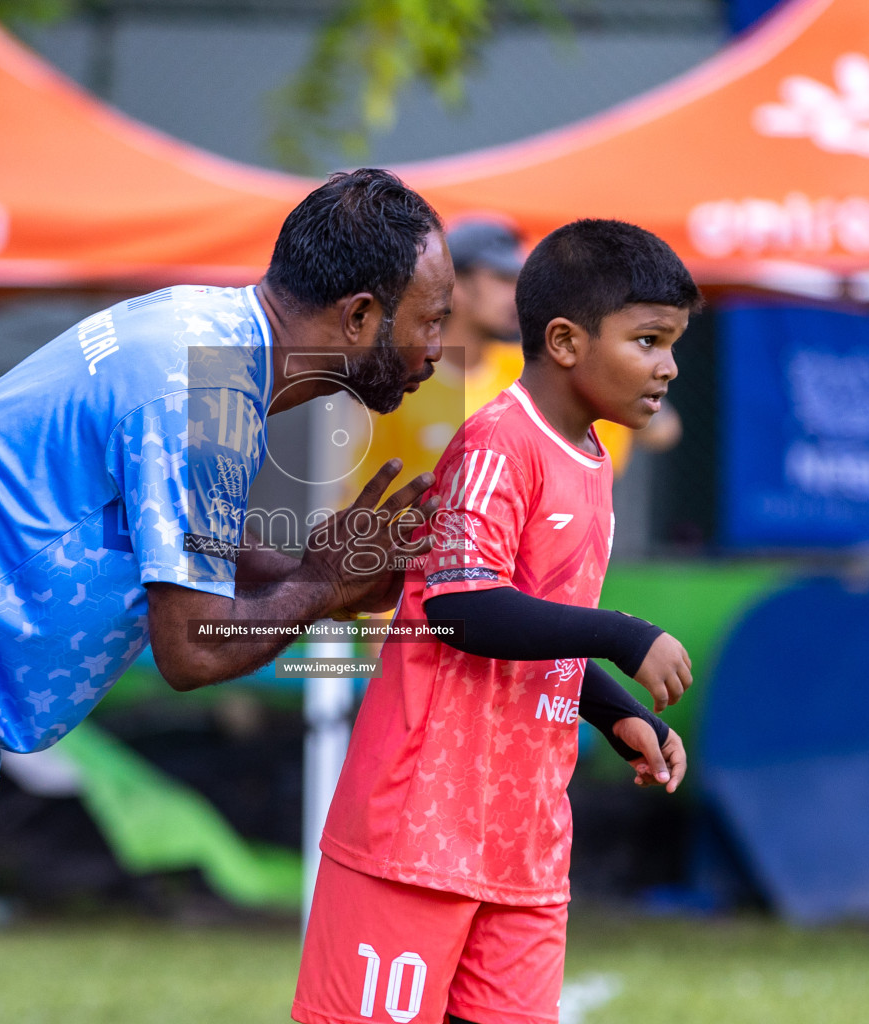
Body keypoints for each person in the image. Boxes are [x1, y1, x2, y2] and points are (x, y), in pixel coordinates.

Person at [0, 168, 456, 1024]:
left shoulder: (219, 347)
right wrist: (318, 585)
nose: (439, 349)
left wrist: (313, 574)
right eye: (434, 320)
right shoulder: (206, 382)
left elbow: (189, 538)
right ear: (361, 316)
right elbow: (191, 649)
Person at [292, 219, 702, 1024]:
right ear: (565, 340)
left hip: (522, 845)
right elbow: (459, 606)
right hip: (418, 835)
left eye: (674, 342)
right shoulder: (495, 442)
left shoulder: (589, 459)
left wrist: (614, 711)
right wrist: (625, 636)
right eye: (649, 339)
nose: (669, 365)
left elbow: (542, 625)